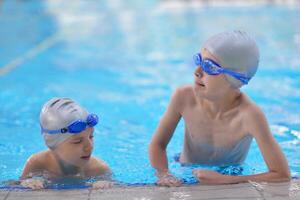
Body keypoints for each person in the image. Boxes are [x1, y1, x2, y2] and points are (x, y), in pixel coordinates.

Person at [148, 30, 290, 187]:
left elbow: (281, 174)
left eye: (209, 66)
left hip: (230, 172)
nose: (197, 72)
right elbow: (158, 145)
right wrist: (163, 174)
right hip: (185, 168)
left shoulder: (249, 115)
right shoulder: (184, 97)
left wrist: (226, 180)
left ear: (235, 78)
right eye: (199, 60)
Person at [20, 97, 112, 189]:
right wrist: (28, 182)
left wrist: (105, 183)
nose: (89, 146)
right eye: (77, 141)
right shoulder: (37, 163)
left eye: (91, 136)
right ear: (53, 144)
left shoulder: (99, 169)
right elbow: (16, 184)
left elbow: (115, 185)